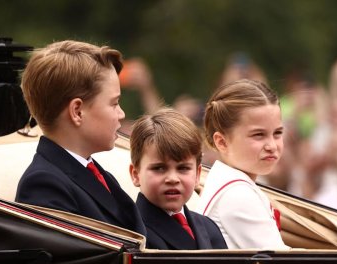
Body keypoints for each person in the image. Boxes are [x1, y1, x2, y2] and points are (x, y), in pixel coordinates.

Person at [15, 40, 146, 235]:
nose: (121, 114)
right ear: (77, 111)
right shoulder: (44, 186)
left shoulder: (96, 173)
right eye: (114, 103)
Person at [197, 79, 289, 249]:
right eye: (258, 135)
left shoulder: (229, 183)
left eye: (277, 133)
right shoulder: (237, 194)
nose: (272, 146)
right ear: (222, 142)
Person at [129, 108, 227, 250]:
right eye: (159, 168)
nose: (173, 179)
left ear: (197, 174)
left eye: (183, 168)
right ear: (136, 174)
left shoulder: (209, 227)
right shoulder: (133, 233)